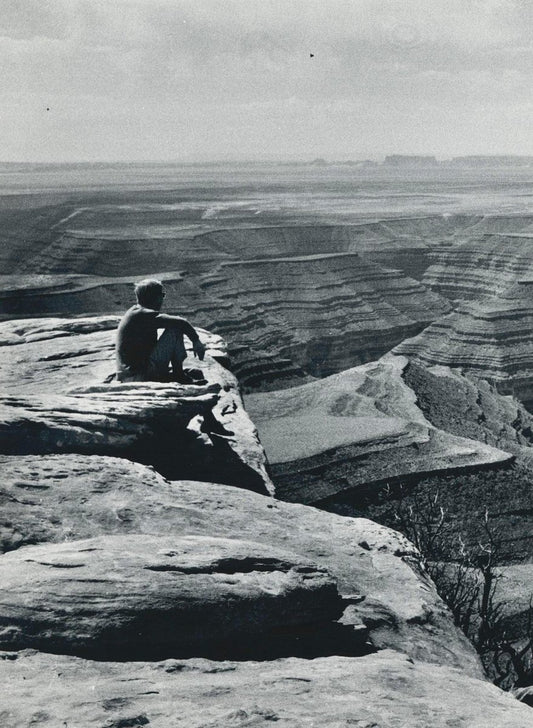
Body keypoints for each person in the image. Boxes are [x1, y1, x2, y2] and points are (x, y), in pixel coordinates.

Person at [116, 278, 206, 384]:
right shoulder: (144, 314)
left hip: (128, 374)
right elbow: (181, 322)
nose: (163, 299)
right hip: (139, 376)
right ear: (154, 297)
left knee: (196, 372)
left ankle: (174, 374)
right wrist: (196, 341)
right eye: (162, 295)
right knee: (175, 329)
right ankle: (179, 376)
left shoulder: (134, 312)